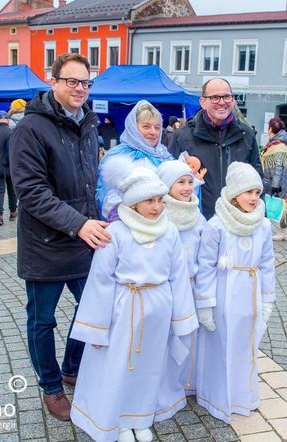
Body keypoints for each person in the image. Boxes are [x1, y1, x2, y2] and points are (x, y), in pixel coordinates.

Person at [9, 53, 109, 421]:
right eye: (72, 81)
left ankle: (71, 366)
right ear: (53, 82)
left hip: (83, 242)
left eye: (85, 82)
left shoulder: (89, 125)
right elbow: (32, 192)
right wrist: (80, 223)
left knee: (93, 310)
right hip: (45, 246)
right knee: (43, 321)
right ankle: (51, 386)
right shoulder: (30, 129)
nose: (80, 88)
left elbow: (88, 183)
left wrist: (100, 218)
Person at [70, 167, 197, 442]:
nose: (157, 207)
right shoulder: (115, 232)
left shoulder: (169, 231)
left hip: (157, 309)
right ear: (133, 203)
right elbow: (100, 281)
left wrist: (183, 318)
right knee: (119, 365)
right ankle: (118, 419)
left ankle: (140, 416)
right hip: (124, 309)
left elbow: (178, 276)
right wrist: (96, 327)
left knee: (149, 366)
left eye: (160, 200)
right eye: (149, 201)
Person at [195, 161, 276, 424]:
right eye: (248, 192)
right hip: (224, 294)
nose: (254, 198)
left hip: (250, 293)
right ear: (233, 194)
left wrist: (267, 299)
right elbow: (206, 266)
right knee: (221, 343)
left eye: (257, 192)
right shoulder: (217, 225)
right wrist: (205, 304)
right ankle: (216, 396)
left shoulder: (263, 225)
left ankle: (244, 395)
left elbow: (267, 263)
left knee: (245, 345)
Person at [155, 160, 206, 419]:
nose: (187, 188)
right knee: (166, 339)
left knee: (189, 338)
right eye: (181, 182)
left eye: (190, 182)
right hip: (168, 288)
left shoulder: (198, 215)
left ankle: (187, 381)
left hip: (193, 287)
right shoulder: (158, 215)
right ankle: (163, 388)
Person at [169, 78, 262, 219]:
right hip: (196, 221)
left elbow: (257, 179)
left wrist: (260, 217)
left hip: (236, 222)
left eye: (226, 96)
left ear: (233, 100)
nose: (222, 102)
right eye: (215, 97)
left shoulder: (246, 134)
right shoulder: (183, 136)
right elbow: (169, 181)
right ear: (203, 102)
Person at [97, 100, 173, 220]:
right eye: (146, 126)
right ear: (133, 127)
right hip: (129, 224)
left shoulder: (165, 157)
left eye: (157, 127)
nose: (153, 132)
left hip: (162, 223)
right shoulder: (118, 156)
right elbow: (106, 195)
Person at [261, 117, 287, 241]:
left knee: (279, 206)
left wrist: (275, 185)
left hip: (277, 182)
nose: (267, 130)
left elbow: (279, 166)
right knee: (276, 206)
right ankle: (282, 232)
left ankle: (282, 232)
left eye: (269, 127)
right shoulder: (274, 143)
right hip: (271, 180)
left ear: (272, 129)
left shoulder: (279, 145)